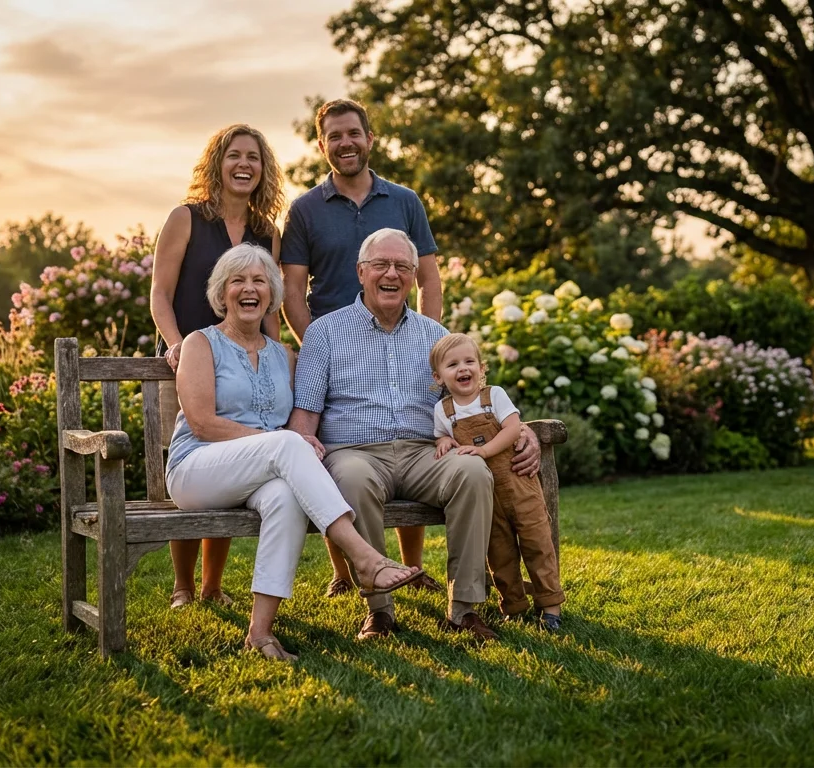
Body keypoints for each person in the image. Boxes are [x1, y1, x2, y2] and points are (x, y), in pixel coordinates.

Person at [167, 243, 424, 661]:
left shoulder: (284, 356)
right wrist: (282, 442)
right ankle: (364, 558)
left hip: (260, 473)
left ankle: (260, 632)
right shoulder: (200, 343)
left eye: (259, 281)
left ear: (271, 293)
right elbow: (202, 423)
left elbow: (300, 418)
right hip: (196, 470)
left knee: (287, 497)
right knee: (287, 441)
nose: (249, 289)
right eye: (237, 281)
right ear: (222, 293)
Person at [287, 228, 542, 641]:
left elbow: (474, 399)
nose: (392, 274)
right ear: (361, 272)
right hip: (355, 452)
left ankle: (464, 609)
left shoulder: (434, 336)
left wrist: (522, 428)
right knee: (351, 479)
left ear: (412, 276)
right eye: (381, 265)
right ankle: (379, 610)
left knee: (473, 473)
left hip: (427, 452)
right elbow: (306, 411)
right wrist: (301, 448)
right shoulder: (325, 332)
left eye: (402, 266)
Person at [279, 98, 443, 598]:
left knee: (409, 434)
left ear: (370, 139)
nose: (345, 143)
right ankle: (347, 571)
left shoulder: (405, 201)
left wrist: (427, 346)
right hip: (335, 351)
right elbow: (292, 291)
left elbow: (429, 279)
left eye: (353, 133)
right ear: (322, 144)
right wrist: (320, 350)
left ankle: (410, 565)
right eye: (334, 136)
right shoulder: (305, 210)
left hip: (402, 340)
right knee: (343, 451)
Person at [151, 124, 285, 610]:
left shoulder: (267, 231)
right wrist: (176, 346)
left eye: (253, 157)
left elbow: (269, 308)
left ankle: (212, 585)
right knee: (194, 462)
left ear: (264, 169)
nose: (243, 165)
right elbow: (160, 294)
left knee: (233, 460)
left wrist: (275, 362)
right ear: (217, 163)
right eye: (234, 155)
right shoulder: (185, 218)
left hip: (244, 363)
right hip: (188, 362)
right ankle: (183, 586)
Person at [430, 334, 565, 631]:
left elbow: (513, 428)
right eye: (452, 364)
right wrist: (443, 442)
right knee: (499, 554)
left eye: (469, 361)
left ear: (481, 368)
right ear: (438, 377)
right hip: (488, 497)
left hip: (519, 485)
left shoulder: (494, 396)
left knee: (537, 544)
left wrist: (484, 451)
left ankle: (550, 607)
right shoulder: (444, 410)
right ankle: (514, 606)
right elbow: (442, 436)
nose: (462, 368)